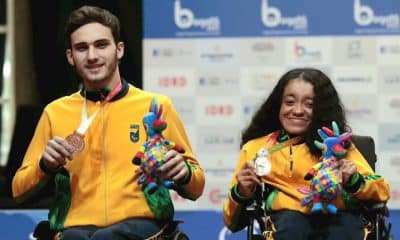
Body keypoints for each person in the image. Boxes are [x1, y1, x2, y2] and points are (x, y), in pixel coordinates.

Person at [12, 5, 205, 240]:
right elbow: (18, 190)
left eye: (101, 45)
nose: (92, 56)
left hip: (141, 227)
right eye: (82, 48)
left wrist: (183, 172)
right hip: (76, 231)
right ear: (70, 57)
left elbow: (197, 186)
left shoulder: (155, 106)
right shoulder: (55, 112)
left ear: (119, 50)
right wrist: (45, 165)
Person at [222, 68, 390, 240]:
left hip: (338, 219)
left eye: (309, 104)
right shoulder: (257, 148)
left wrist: (353, 180)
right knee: (291, 224)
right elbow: (232, 222)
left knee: (342, 228)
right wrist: (242, 191)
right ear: (278, 105)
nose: (298, 110)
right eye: (289, 102)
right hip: (288, 225)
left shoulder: (335, 144)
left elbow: (381, 191)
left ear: (321, 109)